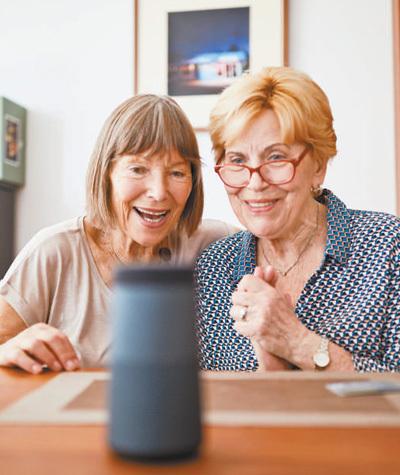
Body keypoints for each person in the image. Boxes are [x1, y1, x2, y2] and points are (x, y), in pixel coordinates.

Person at [0, 94, 235, 373]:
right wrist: (7, 350)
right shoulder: (54, 251)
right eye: (138, 169)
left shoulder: (213, 244)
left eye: (177, 173)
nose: (159, 192)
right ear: (106, 173)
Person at [195, 66, 400, 373]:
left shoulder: (387, 246)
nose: (255, 184)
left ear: (318, 165)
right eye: (237, 160)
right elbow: (208, 403)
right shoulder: (214, 268)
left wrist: (296, 342)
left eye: (276, 157)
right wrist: (271, 376)